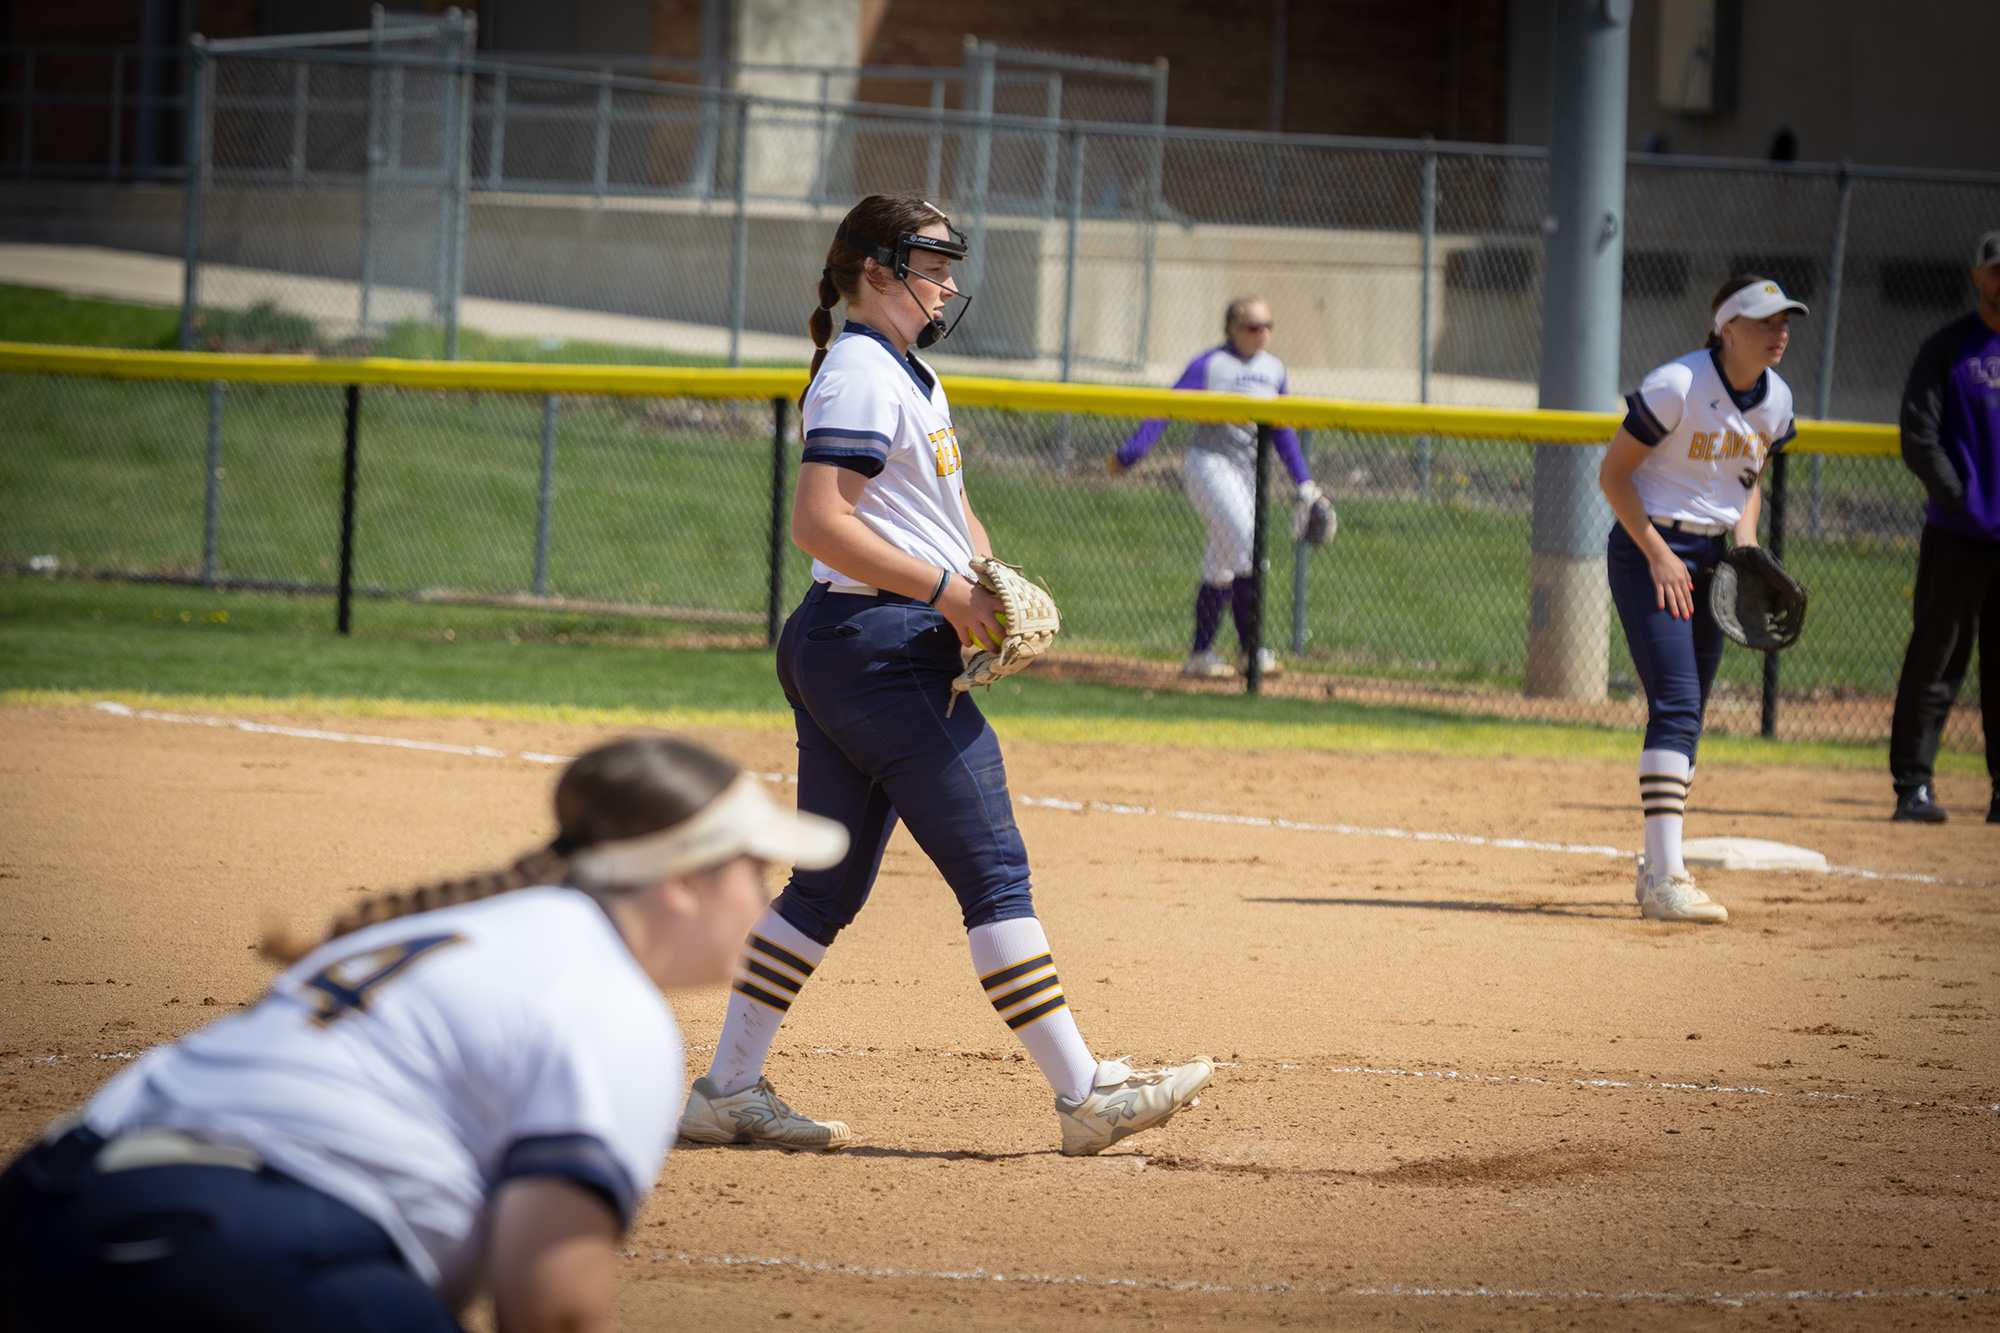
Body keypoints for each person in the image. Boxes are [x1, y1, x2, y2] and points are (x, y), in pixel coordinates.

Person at [677, 193, 1213, 1159]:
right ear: (876, 272)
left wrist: (984, 586)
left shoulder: (910, 374)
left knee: (825, 889)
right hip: (876, 649)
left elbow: (949, 513)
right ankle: (1084, 1092)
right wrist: (945, 593)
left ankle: (727, 1089)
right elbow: (819, 523)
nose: (949, 282)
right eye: (931, 263)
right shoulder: (858, 374)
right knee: (994, 871)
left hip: (867, 643)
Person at [0, 736, 847, 1333]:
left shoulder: (443, 931)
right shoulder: (607, 1001)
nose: (766, 897)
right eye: (755, 870)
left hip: (41, 1204)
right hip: (248, 1250)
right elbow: (551, 1309)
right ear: (681, 885)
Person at [1599, 275, 1806, 924]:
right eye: (1766, 319)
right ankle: (1666, 877)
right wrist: (1658, 552)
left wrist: (1744, 549)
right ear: (1727, 328)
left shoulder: (1776, 400)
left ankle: (1655, 866)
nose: (1781, 330)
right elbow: (1614, 474)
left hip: (1716, 559)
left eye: (1785, 320)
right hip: (1649, 548)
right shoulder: (1678, 386)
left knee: (1689, 710)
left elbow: (1747, 481)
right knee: (1679, 703)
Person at [1108, 297, 1328, 678]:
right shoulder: (1210, 365)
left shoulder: (1273, 369)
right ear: (1231, 328)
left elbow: (1283, 429)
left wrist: (1304, 482)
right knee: (1247, 547)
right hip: (1209, 466)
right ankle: (1250, 653)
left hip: (1247, 474)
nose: (1262, 333)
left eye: (1267, 325)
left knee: (1222, 565)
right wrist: (1132, 452)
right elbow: (1166, 408)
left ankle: (1200, 657)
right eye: (1252, 326)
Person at [1888, 230, 2000, 824]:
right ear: (1977, 276)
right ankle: (1914, 785)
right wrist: (1959, 498)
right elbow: (1918, 436)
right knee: (1937, 660)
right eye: (1997, 270)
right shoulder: (1949, 349)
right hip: (1959, 533)